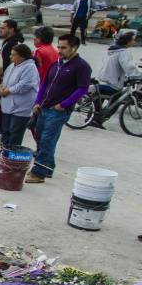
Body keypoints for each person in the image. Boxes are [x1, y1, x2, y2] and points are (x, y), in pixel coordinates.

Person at [28, 33, 91, 183]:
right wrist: (37, 102)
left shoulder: (81, 66)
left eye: (64, 47)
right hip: (44, 107)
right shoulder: (56, 64)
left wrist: (64, 104)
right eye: (59, 47)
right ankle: (48, 166)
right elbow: (45, 84)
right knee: (40, 138)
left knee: (46, 140)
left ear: (74, 47)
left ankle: (38, 173)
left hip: (58, 111)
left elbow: (82, 89)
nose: (60, 50)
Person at [0, 43, 39, 156]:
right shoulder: (12, 66)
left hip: (21, 106)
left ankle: (11, 154)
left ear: (22, 56)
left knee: (15, 131)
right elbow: (5, 79)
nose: (10, 57)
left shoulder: (30, 67)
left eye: (13, 55)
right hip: (8, 104)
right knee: (6, 130)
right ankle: (3, 151)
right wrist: (0, 88)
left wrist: (8, 90)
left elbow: (25, 84)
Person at [89, 29, 137, 128]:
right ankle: (97, 120)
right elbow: (129, 68)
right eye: (133, 40)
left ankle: (92, 119)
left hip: (102, 79)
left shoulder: (111, 49)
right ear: (128, 42)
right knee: (117, 101)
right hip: (113, 84)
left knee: (99, 101)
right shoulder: (124, 52)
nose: (134, 42)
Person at [31, 25, 59, 95]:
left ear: (40, 38)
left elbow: (34, 71)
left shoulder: (38, 51)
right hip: (51, 85)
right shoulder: (55, 51)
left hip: (40, 85)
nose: (33, 39)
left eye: (35, 37)